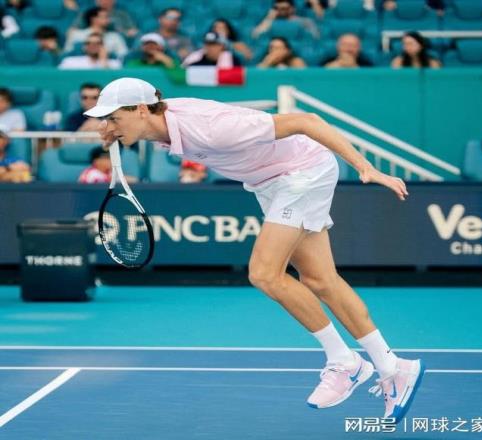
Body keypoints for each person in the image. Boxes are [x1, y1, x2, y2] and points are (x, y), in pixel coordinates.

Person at [84, 77, 423, 423]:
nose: (106, 126)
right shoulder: (158, 123)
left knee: (264, 274)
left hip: (301, 172)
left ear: (142, 110)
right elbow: (143, 128)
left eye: (113, 118)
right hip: (270, 181)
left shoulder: (212, 127)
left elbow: (307, 121)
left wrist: (365, 166)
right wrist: (118, 131)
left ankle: (344, 361)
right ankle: (392, 367)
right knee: (321, 280)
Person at [64, 7, 128, 60]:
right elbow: (67, 53)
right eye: (105, 17)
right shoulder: (77, 35)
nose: (108, 20)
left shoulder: (115, 36)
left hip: (107, 66)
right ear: (93, 19)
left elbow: (123, 55)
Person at [252, 0, 320, 40]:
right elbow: (255, 35)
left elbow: (315, 37)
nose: (280, 11)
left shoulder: (305, 22)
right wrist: (269, 18)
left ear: (293, 9)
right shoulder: (269, 22)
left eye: (284, 8)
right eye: (277, 8)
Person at [70, 0, 138, 37]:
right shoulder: (88, 12)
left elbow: (133, 30)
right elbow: (73, 29)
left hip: (115, 40)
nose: (105, 1)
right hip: (91, 38)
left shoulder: (122, 14)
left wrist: (124, 34)